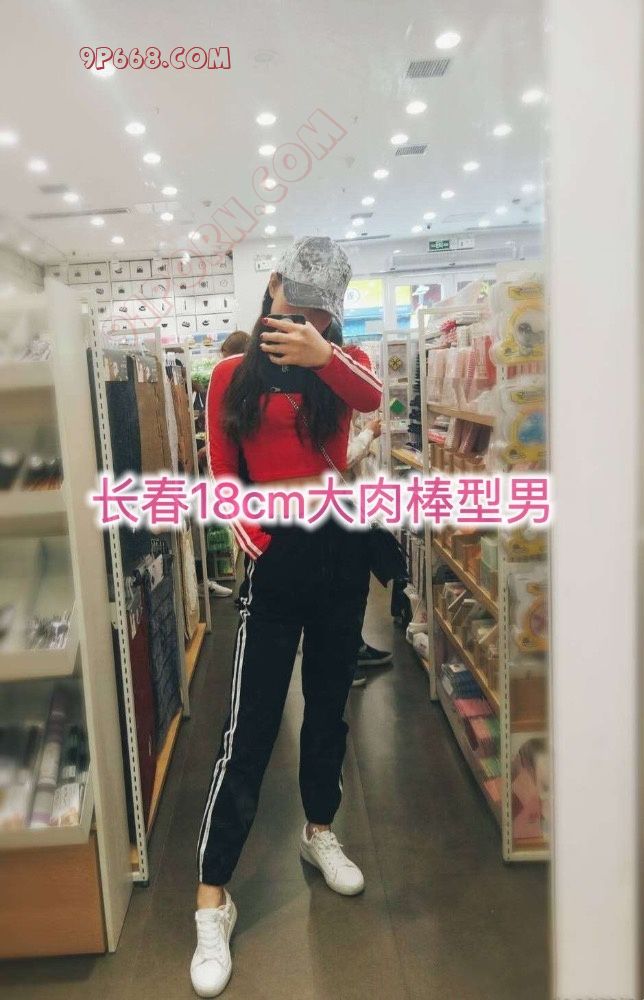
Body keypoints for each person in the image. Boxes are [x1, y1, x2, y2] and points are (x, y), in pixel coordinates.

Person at [191, 237, 382, 998]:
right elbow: (222, 474)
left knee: (329, 707)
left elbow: (373, 399)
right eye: (294, 306)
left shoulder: (341, 362)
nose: (303, 321)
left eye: (319, 314)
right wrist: (258, 541)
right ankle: (212, 898)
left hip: (340, 554)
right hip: (276, 561)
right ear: (272, 287)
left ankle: (319, 831)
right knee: (250, 727)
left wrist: (322, 354)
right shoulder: (230, 375)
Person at [197, 330, 251, 598]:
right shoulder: (252, 381)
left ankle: (249, 593)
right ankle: (249, 588)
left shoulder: (238, 384)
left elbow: (231, 432)